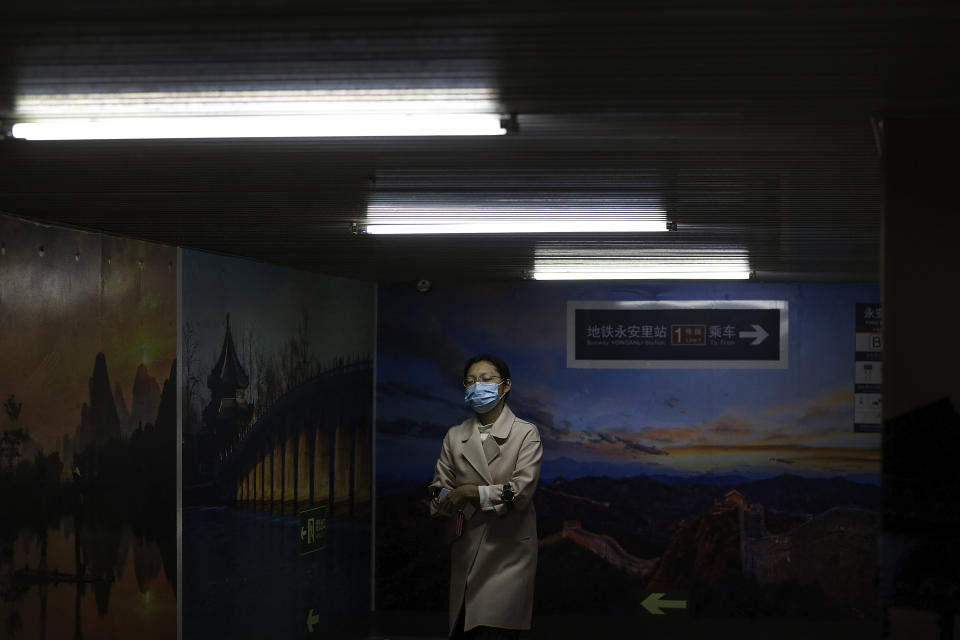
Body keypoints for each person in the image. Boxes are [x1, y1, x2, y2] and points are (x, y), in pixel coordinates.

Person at [430, 354, 543, 640]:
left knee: (495, 630)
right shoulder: (455, 436)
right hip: (466, 546)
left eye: (486, 379)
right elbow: (438, 488)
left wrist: (469, 492)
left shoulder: (525, 433)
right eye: (470, 381)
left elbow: (521, 491)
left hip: (509, 553)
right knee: (464, 627)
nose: (477, 387)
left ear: (505, 386)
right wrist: (445, 499)